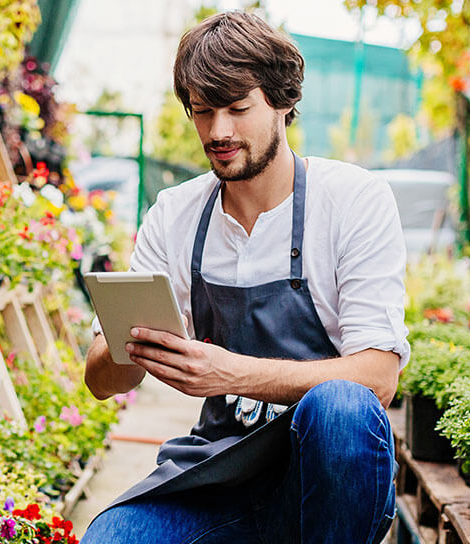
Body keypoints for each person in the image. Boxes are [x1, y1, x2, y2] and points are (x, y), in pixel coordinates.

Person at [80, 10, 408, 544]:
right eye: (204, 112)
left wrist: (230, 373)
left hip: (323, 482)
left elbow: (378, 377)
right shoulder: (174, 213)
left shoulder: (352, 199)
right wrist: (128, 345)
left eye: (238, 108)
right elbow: (100, 383)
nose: (219, 131)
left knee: (342, 406)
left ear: (281, 101)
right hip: (218, 473)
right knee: (111, 537)